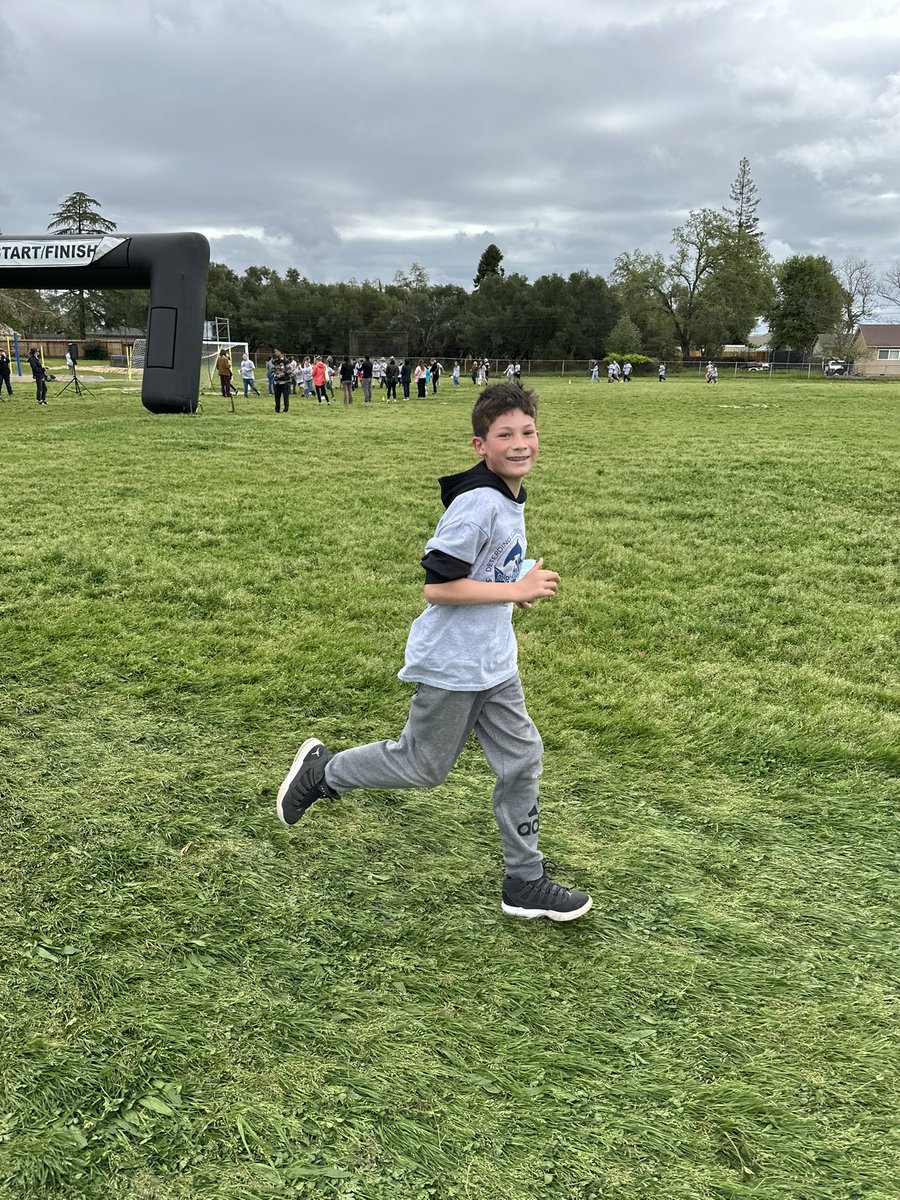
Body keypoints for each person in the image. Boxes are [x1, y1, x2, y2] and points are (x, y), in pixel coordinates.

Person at [276, 381, 593, 923]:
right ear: (480, 446)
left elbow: (482, 571)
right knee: (423, 765)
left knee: (523, 757)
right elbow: (438, 586)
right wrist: (515, 591)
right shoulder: (476, 505)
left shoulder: (510, 495)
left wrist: (513, 583)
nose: (521, 443)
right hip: (454, 664)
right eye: (505, 434)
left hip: (494, 662)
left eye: (529, 431)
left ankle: (524, 880)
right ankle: (322, 773)